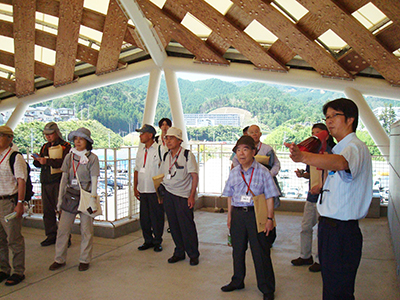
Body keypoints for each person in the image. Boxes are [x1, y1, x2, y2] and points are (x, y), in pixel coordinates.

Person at [285, 98, 372, 300]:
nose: (329, 121)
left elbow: (342, 164)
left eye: (335, 116)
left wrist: (304, 157)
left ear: (350, 119)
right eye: (327, 117)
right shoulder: (339, 148)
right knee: (332, 286)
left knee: (338, 290)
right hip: (330, 227)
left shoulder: (355, 147)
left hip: (342, 230)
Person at [221, 136, 280, 300]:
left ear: (253, 152)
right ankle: (237, 280)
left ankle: (267, 288)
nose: (241, 153)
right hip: (238, 214)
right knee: (237, 250)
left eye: (245, 149)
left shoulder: (263, 171)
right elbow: (229, 195)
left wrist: (269, 219)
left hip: (256, 215)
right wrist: (229, 216)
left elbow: (269, 197)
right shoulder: (234, 172)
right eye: (238, 150)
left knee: (260, 252)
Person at [49, 127, 100, 272]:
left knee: (86, 230)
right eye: (76, 139)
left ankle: (84, 259)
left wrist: (93, 199)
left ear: (87, 142)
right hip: (70, 195)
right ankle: (59, 258)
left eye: (81, 139)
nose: (78, 142)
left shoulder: (92, 158)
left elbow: (94, 180)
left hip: (86, 195)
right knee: (63, 229)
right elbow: (64, 178)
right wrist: (59, 199)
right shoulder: (69, 156)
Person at [291, 123, 335, 273]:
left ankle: (320, 259)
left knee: (322, 230)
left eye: (318, 132)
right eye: (313, 133)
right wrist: (303, 175)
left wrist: (321, 186)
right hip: (312, 196)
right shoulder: (312, 151)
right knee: (306, 226)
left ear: (326, 135)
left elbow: (334, 174)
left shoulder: (332, 152)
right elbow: (312, 173)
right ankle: (305, 256)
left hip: (326, 197)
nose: (315, 135)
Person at [159, 127, 200, 266]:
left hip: (183, 195)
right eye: (166, 138)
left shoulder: (187, 155)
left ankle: (193, 254)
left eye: (171, 138)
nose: (168, 141)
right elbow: (163, 175)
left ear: (179, 140)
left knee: (187, 226)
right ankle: (179, 251)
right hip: (169, 194)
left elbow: (194, 177)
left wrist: (191, 196)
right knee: (174, 225)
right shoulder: (166, 156)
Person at [32, 122, 71, 246]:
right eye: (46, 135)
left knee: (62, 210)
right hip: (46, 180)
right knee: (47, 210)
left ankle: (65, 236)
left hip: (59, 181)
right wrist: (38, 161)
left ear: (56, 133)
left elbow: (65, 162)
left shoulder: (66, 146)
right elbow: (42, 163)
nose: (48, 137)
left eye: (50, 134)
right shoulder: (45, 147)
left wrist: (46, 161)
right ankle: (51, 235)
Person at [0, 126, 27, 286]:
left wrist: (19, 203)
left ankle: (18, 271)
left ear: (10, 138)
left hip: (9, 202)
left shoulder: (15, 157)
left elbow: (21, 180)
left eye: (1, 136)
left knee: (14, 238)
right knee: (0, 239)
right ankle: (3, 269)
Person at [134, 124, 164, 252]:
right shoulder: (141, 150)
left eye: (142, 133)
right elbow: (136, 169)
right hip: (143, 189)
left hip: (154, 190)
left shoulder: (159, 149)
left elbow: (164, 169)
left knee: (156, 217)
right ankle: (148, 240)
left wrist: (162, 191)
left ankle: (157, 241)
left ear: (150, 135)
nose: (140, 136)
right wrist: (135, 187)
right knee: (144, 218)